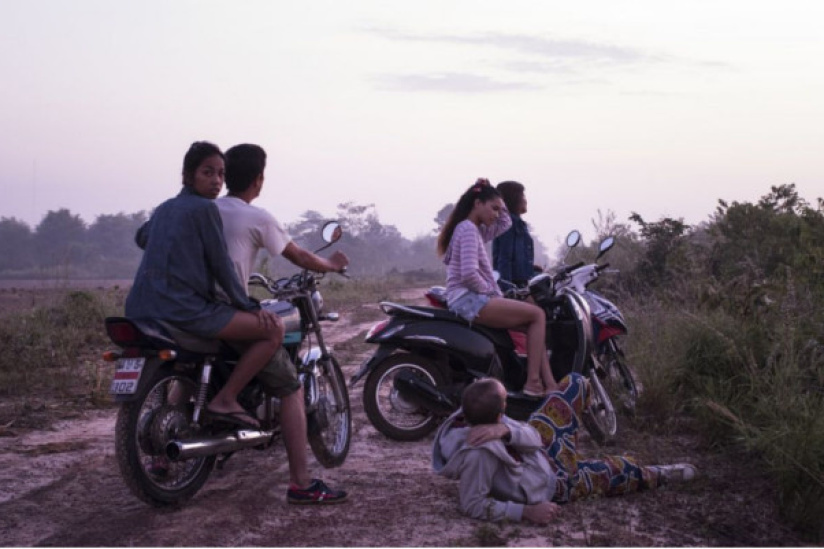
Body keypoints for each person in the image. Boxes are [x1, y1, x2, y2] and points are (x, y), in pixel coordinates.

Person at [218, 143, 348, 505]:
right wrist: (333, 265)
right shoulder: (257, 216)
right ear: (259, 179)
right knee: (290, 388)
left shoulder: (205, 210)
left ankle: (163, 466)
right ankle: (301, 483)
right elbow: (299, 256)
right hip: (226, 311)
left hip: (192, 311)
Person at [126, 141, 282, 429]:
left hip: (141, 308)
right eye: (208, 173)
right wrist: (247, 304)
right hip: (185, 310)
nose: (216, 182)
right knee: (273, 330)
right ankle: (226, 398)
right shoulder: (204, 210)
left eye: (221, 175)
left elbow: (141, 238)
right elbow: (221, 265)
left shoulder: (165, 209)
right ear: (188, 175)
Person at [432, 375, 697, 524]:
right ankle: (659, 474)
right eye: (505, 400)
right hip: (554, 482)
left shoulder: (474, 413)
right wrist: (525, 511)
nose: (507, 400)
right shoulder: (479, 453)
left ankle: (580, 440)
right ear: (501, 411)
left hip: (540, 450)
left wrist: (508, 431)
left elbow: (533, 437)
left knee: (576, 384)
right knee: (620, 470)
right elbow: (472, 504)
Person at [437, 178, 556, 396]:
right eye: (493, 208)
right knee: (538, 315)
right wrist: (493, 294)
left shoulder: (475, 230)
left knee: (535, 325)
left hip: (469, 298)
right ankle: (533, 384)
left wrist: (499, 200)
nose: (496, 214)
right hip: (469, 299)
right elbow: (469, 274)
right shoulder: (468, 230)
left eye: (498, 210)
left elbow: (506, 223)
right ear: (477, 204)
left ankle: (550, 384)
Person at [493, 181, 538, 287]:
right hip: (515, 286)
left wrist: (532, 267)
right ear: (514, 198)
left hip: (523, 284)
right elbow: (504, 259)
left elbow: (516, 259)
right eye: (523, 196)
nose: (526, 200)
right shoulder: (508, 225)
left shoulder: (519, 225)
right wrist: (508, 289)